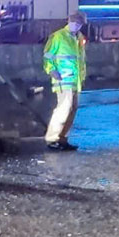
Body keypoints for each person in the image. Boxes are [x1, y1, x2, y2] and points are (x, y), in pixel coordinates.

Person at [42, 12, 87, 151]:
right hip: (63, 78)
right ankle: (52, 138)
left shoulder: (79, 38)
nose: (76, 26)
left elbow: (80, 60)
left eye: (79, 24)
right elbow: (48, 56)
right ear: (69, 21)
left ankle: (62, 138)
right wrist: (51, 70)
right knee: (63, 109)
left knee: (72, 110)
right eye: (75, 22)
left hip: (75, 80)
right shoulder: (58, 36)